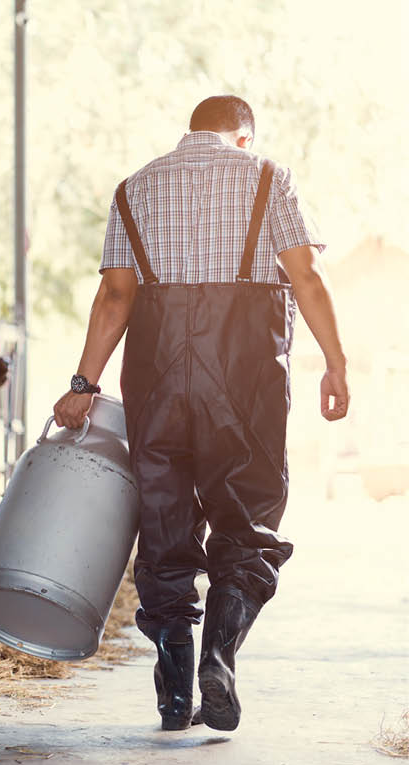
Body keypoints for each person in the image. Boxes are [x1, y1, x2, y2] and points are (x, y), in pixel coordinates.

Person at [52, 95, 349, 732]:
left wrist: (83, 383)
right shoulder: (269, 176)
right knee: (247, 518)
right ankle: (219, 656)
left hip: (155, 378)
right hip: (245, 379)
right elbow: (307, 277)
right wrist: (336, 363)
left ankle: (172, 688)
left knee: (164, 522)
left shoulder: (135, 188)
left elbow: (115, 296)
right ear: (244, 137)